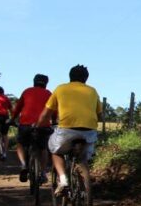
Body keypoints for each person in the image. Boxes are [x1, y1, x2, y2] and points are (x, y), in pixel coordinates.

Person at [35, 65, 101, 196]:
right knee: (82, 158)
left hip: (67, 129)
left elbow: (46, 114)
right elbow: (99, 115)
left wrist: (38, 126)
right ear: (86, 78)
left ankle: (64, 180)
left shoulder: (61, 89)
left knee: (55, 151)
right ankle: (83, 189)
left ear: (70, 76)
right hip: (89, 131)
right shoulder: (92, 91)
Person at [11, 74, 53, 184]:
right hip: (43, 126)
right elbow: (54, 110)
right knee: (43, 148)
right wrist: (54, 120)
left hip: (26, 125)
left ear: (34, 82)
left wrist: (12, 119)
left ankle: (24, 165)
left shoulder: (27, 91)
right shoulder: (49, 93)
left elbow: (17, 108)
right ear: (46, 83)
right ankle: (43, 173)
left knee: (20, 143)